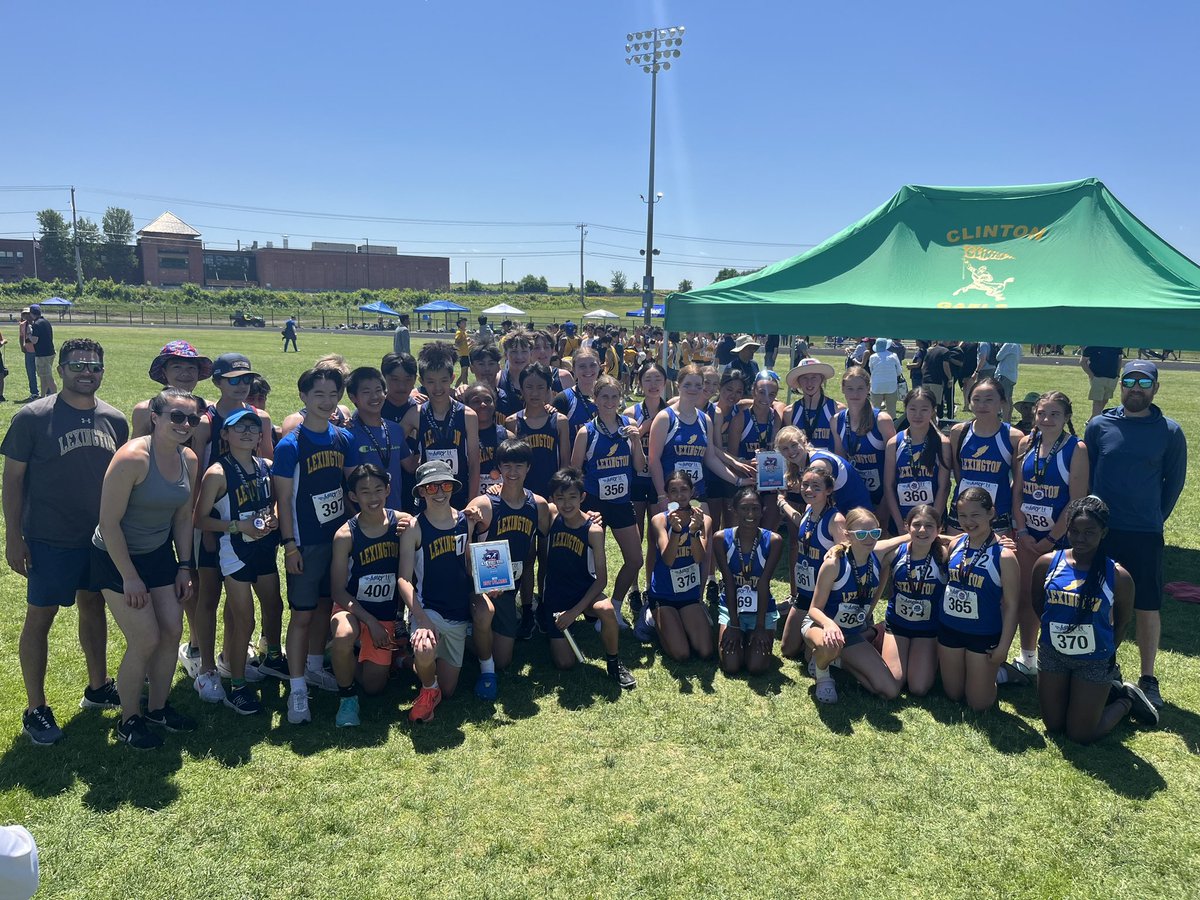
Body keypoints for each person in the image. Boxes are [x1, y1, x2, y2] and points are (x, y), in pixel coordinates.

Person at [3, 339, 128, 745]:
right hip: (49, 537)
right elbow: (13, 480)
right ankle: (35, 708)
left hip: (98, 537)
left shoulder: (114, 419)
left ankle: (98, 686)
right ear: (60, 369)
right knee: (41, 616)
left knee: (93, 606)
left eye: (94, 364)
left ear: (103, 370)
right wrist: (13, 536)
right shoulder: (33, 417)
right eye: (77, 365)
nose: (86, 371)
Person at [93, 388, 199, 749]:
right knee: (146, 638)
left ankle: (157, 708)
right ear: (155, 417)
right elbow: (108, 524)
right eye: (177, 416)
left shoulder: (190, 459)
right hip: (114, 555)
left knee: (171, 631)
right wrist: (130, 577)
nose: (185, 424)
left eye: (192, 419)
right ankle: (128, 720)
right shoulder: (132, 458)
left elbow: (183, 517)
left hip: (157, 554)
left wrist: (184, 566)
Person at [1084, 360, 1187, 708]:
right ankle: (1104, 665)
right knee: (1100, 600)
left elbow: (1173, 483)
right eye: (1129, 380)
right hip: (1102, 532)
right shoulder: (1099, 425)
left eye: (1144, 382)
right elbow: (1089, 472)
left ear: (1156, 388)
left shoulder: (1170, 432)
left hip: (1144, 532)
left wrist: (1155, 517)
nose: (1136, 387)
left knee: (1146, 604)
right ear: (1121, 385)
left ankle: (1148, 677)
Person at [186, 354, 276, 701]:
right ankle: (207, 668)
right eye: (233, 379)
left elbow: (267, 469)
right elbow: (197, 475)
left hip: (249, 525)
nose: (241, 385)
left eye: (246, 379)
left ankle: (230, 659)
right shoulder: (207, 420)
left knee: (241, 603)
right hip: (216, 518)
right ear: (219, 381)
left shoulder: (260, 418)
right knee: (208, 596)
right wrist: (211, 530)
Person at [1033, 496, 1158, 742]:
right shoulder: (1047, 563)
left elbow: (1122, 622)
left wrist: (1104, 655)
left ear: (1104, 533)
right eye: (1075, 531)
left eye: (1089, 532)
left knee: (1080, 734)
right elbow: (1038, 604)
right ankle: (1087, 692)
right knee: (1054, 726)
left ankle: (1126, 700)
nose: (1080, 539)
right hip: (1052, 653)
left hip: (1094, 660)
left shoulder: (1118, 576)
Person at [273, 367, 354, 724]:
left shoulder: (342, 439)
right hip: (306, 542)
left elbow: (350, 491)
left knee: (325, 605)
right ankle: (297, 689)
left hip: (336, 539)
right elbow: (284, 499)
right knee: (303, 614)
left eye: (332, 394)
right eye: (318, 394)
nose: (326, 401)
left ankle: (315, 667)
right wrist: (290, 545)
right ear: (304, 398)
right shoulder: (290, 444)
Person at [399, 460, 498, 720]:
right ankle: (426, 686)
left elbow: (467, 564)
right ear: (421, 492)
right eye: (431, 488)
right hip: (430, 609)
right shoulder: (414, 527)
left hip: (458, 612)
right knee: (424, 649)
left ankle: (406, 662)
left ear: (453, 487)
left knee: (450, 690)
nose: (440, 492)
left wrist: (487, 583)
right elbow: (403, 579)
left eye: (445, 485)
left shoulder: (464, 521)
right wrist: (420, 618)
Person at [1010, 391, 1088, 676]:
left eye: (1055, 414)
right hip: (1027, 536)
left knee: (1059, 598)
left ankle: (1058, 660)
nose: (1047, 419)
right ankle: (1028, 657)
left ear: (1067, 417)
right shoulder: (1026, 442)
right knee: (1027, 597)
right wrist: (1022, 531)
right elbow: (1016, 491)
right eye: (1042, 413)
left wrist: (1051, 539)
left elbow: (1076, 500)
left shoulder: (1076, 448)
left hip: (1059, 540)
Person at [329, 465, 413, 727]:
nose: (373, 497)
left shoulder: (402, 523)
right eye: (364, 492)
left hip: (385, 614)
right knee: (343, 635)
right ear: (353, 496)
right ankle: (347, 697)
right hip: (352, 608)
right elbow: (337, 591)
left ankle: (378, 656)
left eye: (378, 489)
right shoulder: (345, 535)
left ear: (388, 489)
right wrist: (370, 622)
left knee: (374, 687)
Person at [540, 468, 637, 688]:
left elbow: (601, 580)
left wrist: (574, 612)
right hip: (556, 594)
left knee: (607, 610)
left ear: (583, 497)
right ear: (553, 500)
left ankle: (613, 662)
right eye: (560, 498)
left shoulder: (593, 530)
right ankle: (558, 626)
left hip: (584, 591)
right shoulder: (553, 515)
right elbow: (527, 498)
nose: (567, 504)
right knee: (565, 663)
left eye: (572, 497)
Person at [465, 439, 548, 670]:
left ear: (528, 467)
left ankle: (473, 635)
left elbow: (568, 518)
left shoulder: (538, 505)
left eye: (519, 465)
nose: (513, 472)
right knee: (486, 616)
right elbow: (462, 549)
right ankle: (457, 635)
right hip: (481, 587)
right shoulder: (484, 504)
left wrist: (591, 516)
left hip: (509, 591)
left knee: (503, 661)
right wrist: (478, 580)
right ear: (499, 467)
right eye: (507, 465)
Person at [938, 487, 1022, 711]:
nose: (968, 521)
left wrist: (1004, 647)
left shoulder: (1004, 555)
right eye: (962, 515)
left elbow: (1013, 605)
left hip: (983, 635)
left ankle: (1002, 673)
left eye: (975, 515)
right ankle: (977, 672)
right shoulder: (956, 544)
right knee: (953, 694)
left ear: (991, 513)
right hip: (950, 629)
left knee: (978, 705)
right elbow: (927, 537)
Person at [802, 507, 898, 703]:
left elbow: (912, 537)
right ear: (848, 535)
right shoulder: (834, 563)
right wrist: (829, 625)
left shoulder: (877, 554)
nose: (869, 538)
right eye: (862, 534)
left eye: (875, 533)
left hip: (852, 632)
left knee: (889, 691)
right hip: (821, 626)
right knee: (832, 644)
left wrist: (956, 538)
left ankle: (836, 659)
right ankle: (823, 674)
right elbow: (814, 609)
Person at [572, 375, 646, 626]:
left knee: (636, 559)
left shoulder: (629, 426)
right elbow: (575, 473)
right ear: (595, 399)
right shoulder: (586, 431)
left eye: (615, 396)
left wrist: (637, 441)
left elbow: (640, 466)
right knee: (593, 565)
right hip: (594, 503)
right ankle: (595, 613)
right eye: (604, 396)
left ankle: (614, 605)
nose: (610, 401)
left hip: (621, 502)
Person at [401, 342, 480, 510]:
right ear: (421, 381)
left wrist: (472, 502)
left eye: (444, 381)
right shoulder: (415, 414)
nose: (437, 388)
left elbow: (474, 464)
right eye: (431, 381)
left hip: (459, 495)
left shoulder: (468, 416)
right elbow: (392, 441)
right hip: (428, 496)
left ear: (452, 379)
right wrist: (409, 462)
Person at [779, 464, 846, 660]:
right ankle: (808, 640)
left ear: (828, 490)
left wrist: (839, 549)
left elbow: (847, 553)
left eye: (816, 487)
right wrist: (782, 502)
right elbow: (800, 522)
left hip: (824, 598)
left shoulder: (836, 519)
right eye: (805, 485)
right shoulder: (809, 510)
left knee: (811, 657)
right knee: (787, 650)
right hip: (804, 592)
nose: (809, 490)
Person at [877, 505, 946, 696]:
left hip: (928, 630)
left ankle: (930, 658)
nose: (922, 530)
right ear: (907, 527)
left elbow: (968, 541)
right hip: (897, 625)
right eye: (916, 525)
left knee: (919, 688)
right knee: (894, 681)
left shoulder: (945, 555)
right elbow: (874, 549)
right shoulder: (896, 553)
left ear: (939, 529)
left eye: (929, 526)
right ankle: (878, 635)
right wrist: (910, 537)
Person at [715, 486, 782, 675]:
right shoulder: (721, 538)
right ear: (734, 510)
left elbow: (763, 583)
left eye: (755, 508)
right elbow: (728, 582)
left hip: (761, 610)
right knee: (731, 666)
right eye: (744, 508)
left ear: (762, 511)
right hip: (731, 609)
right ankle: (742, 633)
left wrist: (760, 627)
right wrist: (734, 625)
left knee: (756, 667)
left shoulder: (774, 540)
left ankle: (753, 633)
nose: (750, 514)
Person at [645, 471, 711, 660]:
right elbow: (668, 560)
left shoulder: (703, 519)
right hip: (664, 594)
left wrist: (693, 532)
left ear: (692, 492)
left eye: (684, 490)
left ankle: (679, 622)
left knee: (705, 652)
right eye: (674, 491)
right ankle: (653, 619)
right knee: (681, 654)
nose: (680, 495)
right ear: (667, 496)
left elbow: (699, 558)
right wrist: (675, 531)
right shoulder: (659, 519)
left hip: (688, 594)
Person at [946, 377, 1024, 534]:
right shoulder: (958, 432)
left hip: (997, 511)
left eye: (989, 400)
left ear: (1002, 402)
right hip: (962, 511)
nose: (982, 405)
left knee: (995, 557)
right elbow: (958, 471)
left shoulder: (1014, 437)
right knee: (957, 555)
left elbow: (1018, 481)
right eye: (976, 399)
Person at [345, 367, 417, 514]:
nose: (374, 397)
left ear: (385, 393)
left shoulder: (395, 429)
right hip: (365, 519)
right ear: (353, 397)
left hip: (395, 515)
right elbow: (346, 485)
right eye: (366, 392)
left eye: (378, 390)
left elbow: (409, 465)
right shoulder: (348, 434)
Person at [884, 387, 951, 535]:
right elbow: (889, 486)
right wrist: (900, 525)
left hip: (932, 521)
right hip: (902, 520)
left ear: (933, 410)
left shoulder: (942, 443)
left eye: (924, 410)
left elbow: (944, 487)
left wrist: (933, 523)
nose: (917, 415)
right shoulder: (894, 443)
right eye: (912, 409)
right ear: (905, 409)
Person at [832, 366, 896, 516]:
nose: (855, 394)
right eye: (850, 388)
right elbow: (840, 463)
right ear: (843, 389)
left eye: (860, 388)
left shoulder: (881, 420)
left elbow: (894, 463)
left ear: (868, 388)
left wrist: (886, 502)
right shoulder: (837, 421)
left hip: (882, 492)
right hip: (855, 491)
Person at [133, 341, 213, 438]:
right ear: (164, 372)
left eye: (191, 368)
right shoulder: (146, 410)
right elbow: (135, 446)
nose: (185, 373)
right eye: (177, 367)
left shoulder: (209, 410)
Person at [785, 358, 840, 451]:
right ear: (798, 381)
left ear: (822, 380)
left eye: (814, 377)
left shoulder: (837, 409)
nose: (809, 383)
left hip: (829, 462)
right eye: (804, 378)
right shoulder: (790, 412)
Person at [463, 383, 508, 494]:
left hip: (499, 500)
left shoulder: (507, 436)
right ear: (467, 406)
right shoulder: (461, 436)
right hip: (467, 497)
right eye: (476, 401)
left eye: (488, 400)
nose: (483, 404)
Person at [1080, 346, 1123, 419]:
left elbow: (1119, 359)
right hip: (1098, 377)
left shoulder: (1116, 345)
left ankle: (1092, 419)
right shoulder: (1091, 346)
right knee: (1097, 401)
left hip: (1112, 377)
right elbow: (1082, 361)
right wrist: (1092, 375)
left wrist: (1118, 373)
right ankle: (1094, 421)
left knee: (1105, 399)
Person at [867, 338, 904, 416]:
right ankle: (893, 425)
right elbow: (899, 371)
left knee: (875, 409)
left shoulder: (873, 357)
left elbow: (871, 370)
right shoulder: (893, 355)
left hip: (877, 385)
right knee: (892, 409)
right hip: (891, 385)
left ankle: (875, 425)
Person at [28, 305, 56, 398]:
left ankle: (55, 396)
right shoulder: (46, 322)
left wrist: (29, 334)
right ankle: (43, 396)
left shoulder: (36, 324)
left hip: (42, 354)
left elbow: (35, 340)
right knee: (43, 376)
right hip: (50, 352)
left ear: (32, 313)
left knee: (47, 377)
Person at [919, 341, 952, 417]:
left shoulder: (930, 351)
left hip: (926, 380)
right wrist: (949, 378)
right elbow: (945, 365)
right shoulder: (945, 351)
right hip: (936, 381)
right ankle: (936, 423)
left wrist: (925, 376)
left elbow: (923, 367)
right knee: (936, 404)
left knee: (926, 402)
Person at [995, 341, 1022, 421]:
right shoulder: (1018, 345)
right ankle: (1008, 419)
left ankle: (1005, 420)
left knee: (1004, 399)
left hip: (1004, 374)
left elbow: (998, 357)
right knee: (1009, 399)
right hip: (1012, 375)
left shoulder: (1008, 344)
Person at [17, 309, 37, 403]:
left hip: (38, 351)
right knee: (30, 372)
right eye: (24, 314)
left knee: (42, 372)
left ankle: (47, 392)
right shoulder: (22, 325)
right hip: (28, 351)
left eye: (28, 313)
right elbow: (21, 336)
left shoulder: (37, 324)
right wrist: (22, 346)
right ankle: (34, 392)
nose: (26, 316)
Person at [454, 317, 471, 386]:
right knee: (464, 374)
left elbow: (465, 345)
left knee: (465, 374)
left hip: (466, 354)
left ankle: (457, 386)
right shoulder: (459, 332)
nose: (465, 324)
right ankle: (464, 386)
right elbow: (457, 343)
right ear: (459, 324)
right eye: (463, 323)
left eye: (465, 322)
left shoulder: (464, 332)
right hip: (462, 355)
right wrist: (463, 340)